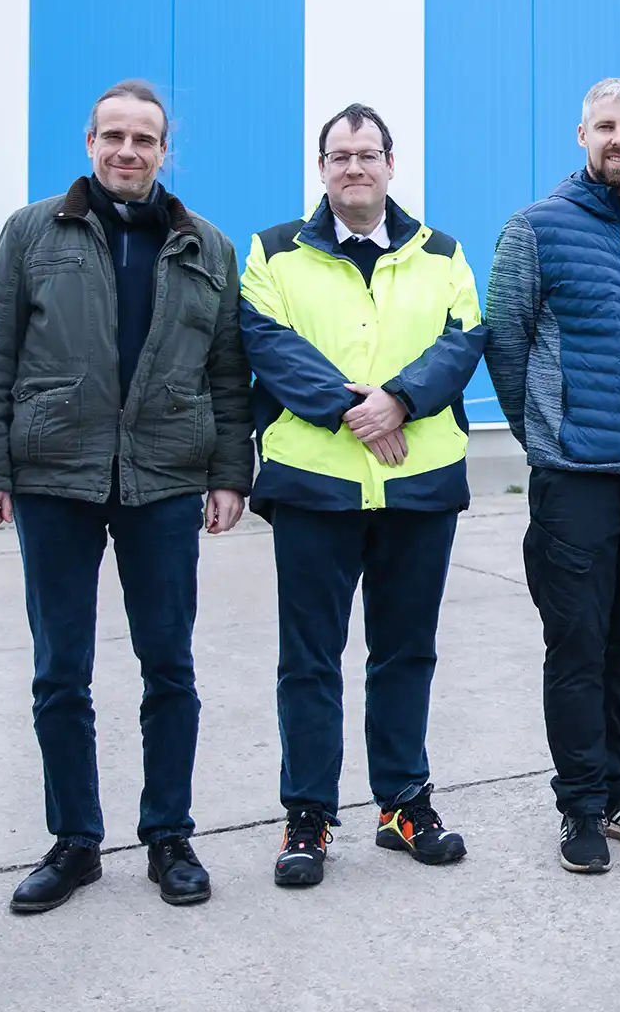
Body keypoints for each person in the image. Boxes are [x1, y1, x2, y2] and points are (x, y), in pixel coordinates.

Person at [0, 78, 252, 913]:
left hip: (162, 479)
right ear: (89, 144)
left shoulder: (207, 247)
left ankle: (169, 837)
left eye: (144, 140)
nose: (127, 151)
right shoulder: (32, 233)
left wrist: (231, 472)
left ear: (165, 151)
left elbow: (228, 372)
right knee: (61, 671)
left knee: (170, 666)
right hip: (55, 474)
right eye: (112, 136)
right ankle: (75, 842)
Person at [238, 103, 487, 889]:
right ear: (321, 168)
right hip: (315, 486)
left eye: (367, 154)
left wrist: (401, 400)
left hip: (418, 485)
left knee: (405, 651)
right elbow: (266, 341)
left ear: (390, 164)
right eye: (339, 155)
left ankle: (403, 804)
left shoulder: (441, 253)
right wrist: (358, 409)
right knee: (309, 659)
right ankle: (307, 817)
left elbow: (466, 337)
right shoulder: (273, 252)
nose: (354, 167)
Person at [484, 77, 620, 874]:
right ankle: (580, 804)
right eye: (606, 126)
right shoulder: (535, 229)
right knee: (575, 646)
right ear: (582, 135)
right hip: (574, 476)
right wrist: (549, 432)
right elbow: (506, 347)